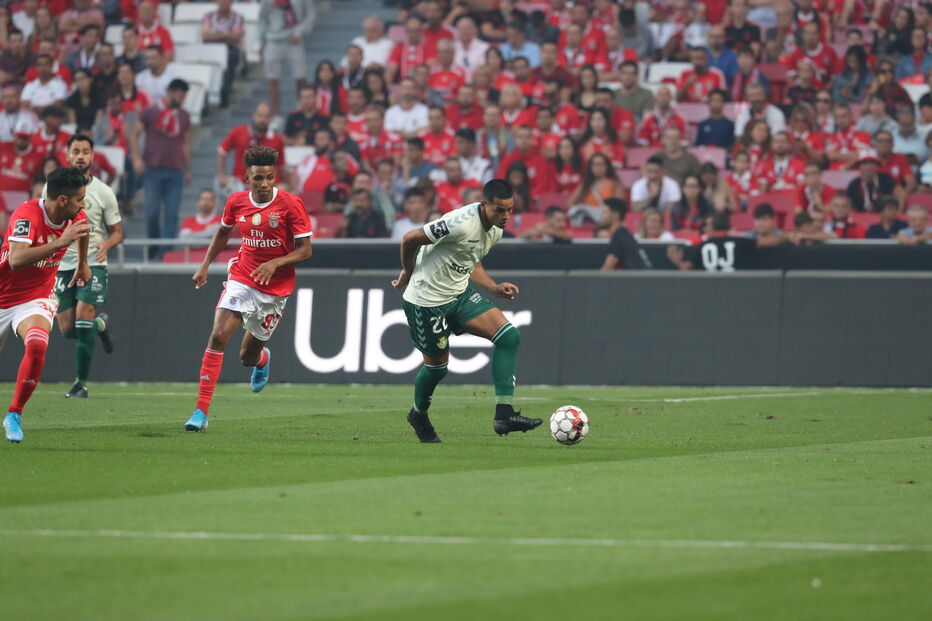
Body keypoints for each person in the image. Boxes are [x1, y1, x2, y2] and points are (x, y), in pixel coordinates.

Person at [392, 179, 543, 442]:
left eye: (510, 209)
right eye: (500, 210)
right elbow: (410, 238)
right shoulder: (459, 222)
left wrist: (493, 288)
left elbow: (471, 261)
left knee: (509, 337)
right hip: (427, 301)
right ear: (484, 204)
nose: (506, 216)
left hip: (459, 295)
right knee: (438, 369)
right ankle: (418, 414)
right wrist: (408, 270)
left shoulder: (495, 229)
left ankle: (504, 415)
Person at [185, 146, 312, 431]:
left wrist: (276, 263)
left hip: (274, 289)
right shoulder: (236, 202)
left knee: (247, 357)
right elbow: (222, 233)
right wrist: (205, 265)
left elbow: (305, 251)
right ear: (247, 178)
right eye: (258, 179)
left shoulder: (291, 204)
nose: (265, 184)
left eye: (269, 177)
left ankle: (262, 358)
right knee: (218, 336)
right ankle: (200, 413)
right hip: (242, 276)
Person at [1, 167, 89, 443]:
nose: (82, 206)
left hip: (35, 299)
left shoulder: (76, 216)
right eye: (79, 200)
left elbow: (84, 229)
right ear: (62, 200)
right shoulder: (26, 215)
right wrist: (60, 243)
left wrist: (83, 263)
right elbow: (15, 260)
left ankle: (14, 414)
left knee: (38, 345)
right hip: (3, 296)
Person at [42, 135, 120, 399]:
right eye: (76, 151)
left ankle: (80, 384)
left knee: (82, 316)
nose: (80, 156)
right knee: (66, 328)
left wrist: (107, 245)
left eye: (85, 152)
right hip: (61, 265)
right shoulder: (51, 189)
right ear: (67, 155)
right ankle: (101, 326)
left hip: (93, 264)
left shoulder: (104, 192)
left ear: (92, 157)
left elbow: (118, 232)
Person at [129, 79, 192, 259]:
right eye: (180, 95)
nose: (181, 100)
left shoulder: (184, 115)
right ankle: (154, 248)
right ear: (170, 92)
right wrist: (136, 158)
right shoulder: (151, 111)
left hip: (175, 170)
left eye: (184, 97)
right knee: (152, 213)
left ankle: (166, 253)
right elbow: (134, 134)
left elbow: (185, 144)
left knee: (171, 214)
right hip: (153, 169)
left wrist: (187, 169)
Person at [259, 0, 314, 123]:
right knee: (273, 78)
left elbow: (310, 14)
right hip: (273, 40)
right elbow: (262, 18)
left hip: (294, 40)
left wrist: (301, 31)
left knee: (300, 76)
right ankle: (276, 114)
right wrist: (262, 39)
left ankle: (301, 108)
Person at [217, 102, 285, 198]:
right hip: (240, 184)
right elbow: (221, 151)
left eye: (266, 117)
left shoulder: (276, 139)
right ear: (254, 115)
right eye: (260, 115)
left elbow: (281, 166)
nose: (263, 120)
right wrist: (221, 176)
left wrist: (284, 184)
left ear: (270, 119)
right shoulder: (238, 132)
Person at [201, 0, 245, 108]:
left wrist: (215, 36)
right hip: (211, 50)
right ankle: (207, 96)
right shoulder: (208, 16)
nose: (224, 2)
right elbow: (205, 37)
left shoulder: (237, 17)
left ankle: (224, 92)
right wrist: (226, 34)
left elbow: (236, 38)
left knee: (230, 56)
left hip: (230, 49)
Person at [599, 198, 649, 269]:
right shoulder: (623, 234)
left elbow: (606, 270)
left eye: (605, 212)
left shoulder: (619, 238)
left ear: (616, 215)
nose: (602, 216)